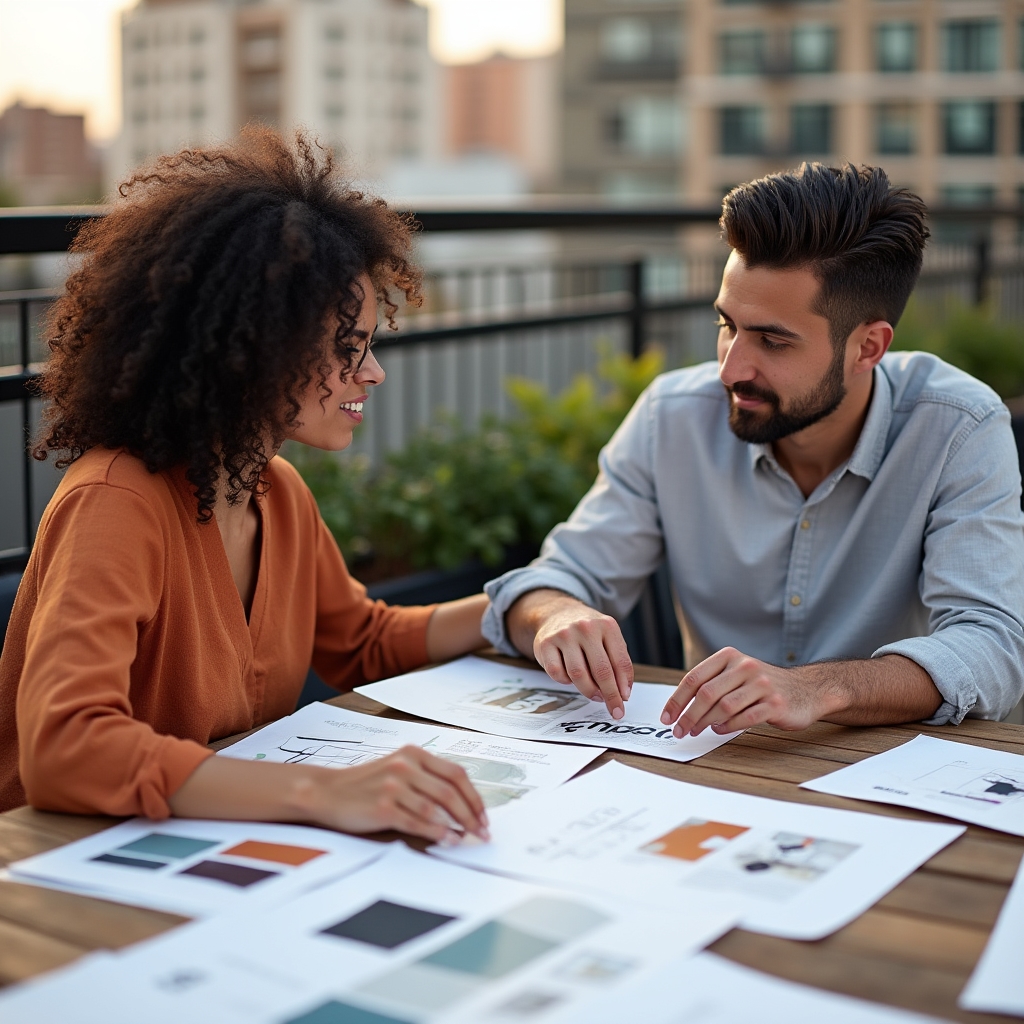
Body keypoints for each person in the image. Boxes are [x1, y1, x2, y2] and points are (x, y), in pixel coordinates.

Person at [0, 130, 490, 845]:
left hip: (209, 853)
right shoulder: (115, 500)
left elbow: (362, 641)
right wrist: (323, 793)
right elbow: (65, 748)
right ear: (255, 349)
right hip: (62, 870)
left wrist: (529, 608)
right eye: (347, 347)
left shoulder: (277, 492)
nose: (373, 372)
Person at [484, 163, 1024, 737]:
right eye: (727, 324)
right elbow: (550, 583)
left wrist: (814, 688)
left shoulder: (957, 427)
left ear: (868, 347)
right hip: (714, 766)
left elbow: (991, 646)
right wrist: (560, 615)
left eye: (772, 341)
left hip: (883, 774)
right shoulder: (673, 415)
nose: (730, 368)